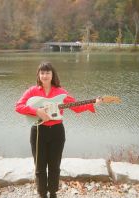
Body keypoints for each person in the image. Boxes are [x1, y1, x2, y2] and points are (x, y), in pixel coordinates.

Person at [15, 62, 102, 198]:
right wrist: (36, 111)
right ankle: (42, 194)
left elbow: (76, 107)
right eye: (42, 73)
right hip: (38, 131)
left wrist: (92, 103)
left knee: (55, 165)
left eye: (47, 72)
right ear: (38, 75)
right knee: (40, 166)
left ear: (52, 75)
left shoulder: (61, 92)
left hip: (57, 132)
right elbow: (18, 106)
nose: (45, 75)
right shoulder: (32, 91)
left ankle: (53, 193)